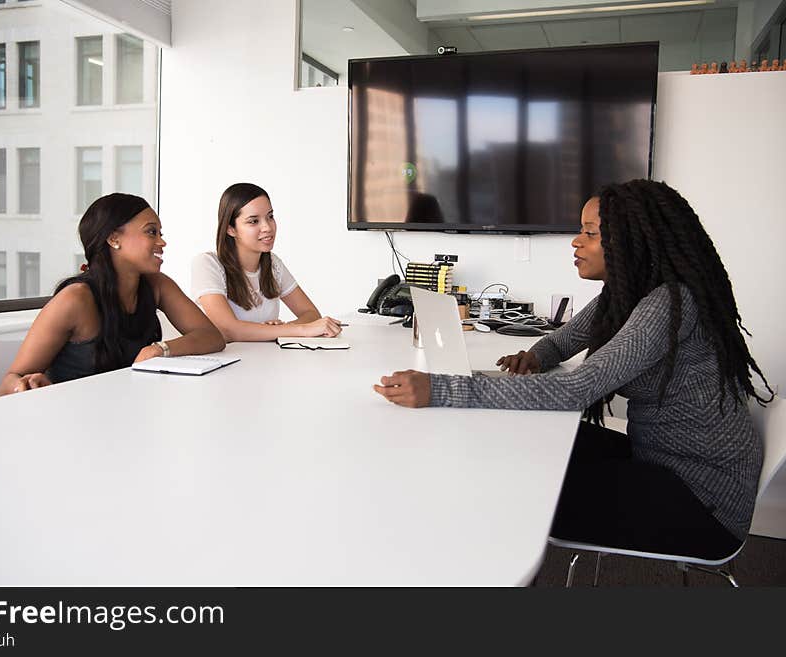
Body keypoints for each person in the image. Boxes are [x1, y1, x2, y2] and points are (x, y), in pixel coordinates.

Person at [374, 179, 773, 558]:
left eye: (591, 233)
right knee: (528, 444)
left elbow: (576, 389)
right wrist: (536, 356)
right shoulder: (626, 295)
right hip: (660, 459)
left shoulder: (668, 304)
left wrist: (443, 389)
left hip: (701, 500)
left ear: (632, 241)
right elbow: (564, 339)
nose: (576, 241)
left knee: (519, 486)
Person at [0, 193, 225, 395]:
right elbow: (8, 384)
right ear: (114, 239)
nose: (161, 241)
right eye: (151, 232)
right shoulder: (75, 299)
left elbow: (211, 336)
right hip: (75, 421)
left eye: (160, 233)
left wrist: (160, 349)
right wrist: (25, 386)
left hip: (128, 413)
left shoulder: (157, 285)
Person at [192, 182, 342, 341]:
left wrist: (280, 330)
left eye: (270, 217)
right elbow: (229, 330)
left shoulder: (273, 264)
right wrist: (295, 330)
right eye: (253, 221)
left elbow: (310, 314)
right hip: (228, 362)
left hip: (266, 360)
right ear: (231, 229)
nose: (267, 227)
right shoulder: (208, 264)